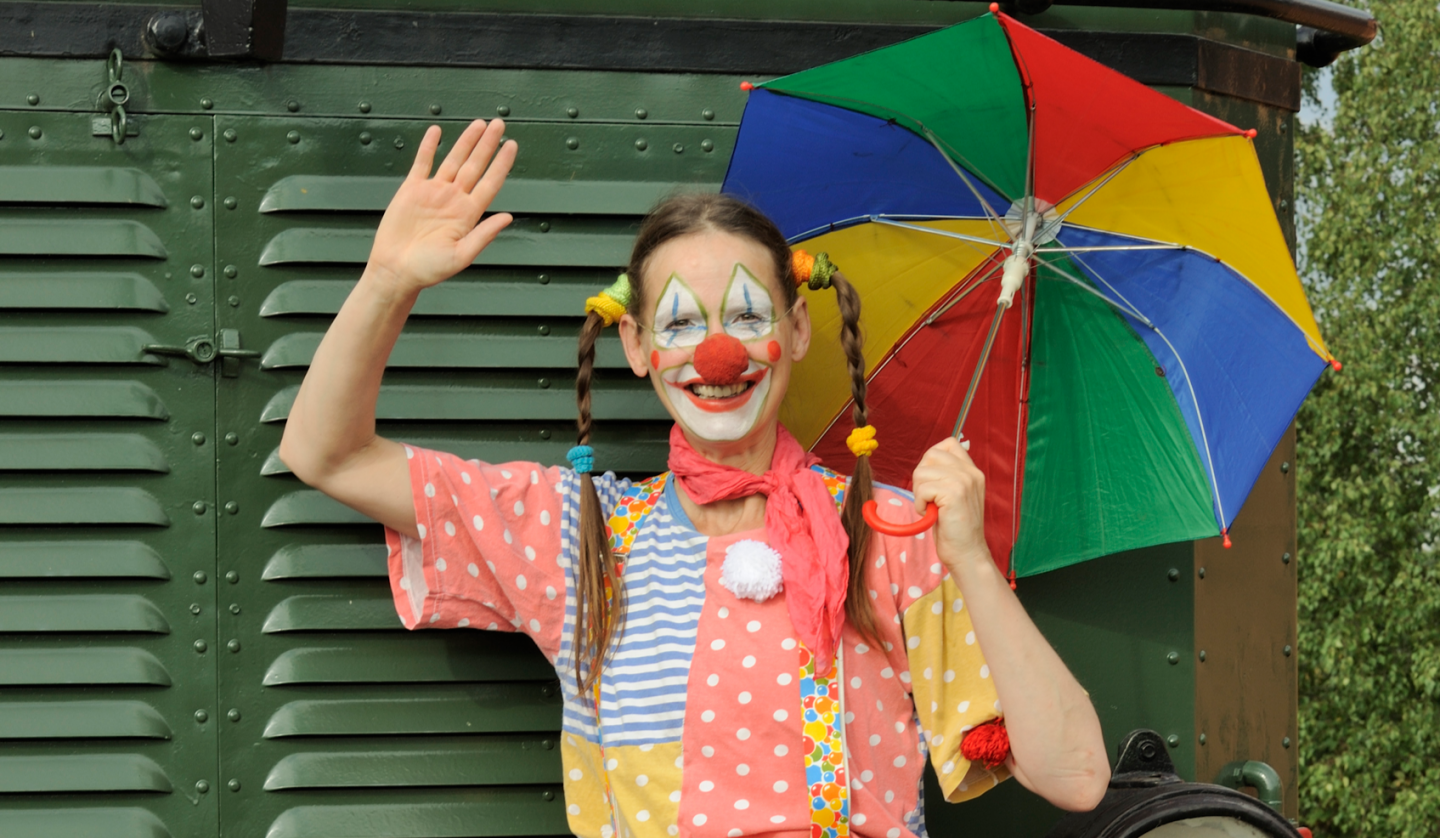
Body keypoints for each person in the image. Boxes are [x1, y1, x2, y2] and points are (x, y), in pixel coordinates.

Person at [279, 118, 1110, 838]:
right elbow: (328, 455)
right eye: (682, 324)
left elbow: (1074, 777)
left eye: (747, 317)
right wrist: (388, 282)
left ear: (796, 327)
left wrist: (965, 554)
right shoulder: (581, 534)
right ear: (638, 348)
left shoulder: (885, 530)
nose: (718, 354)